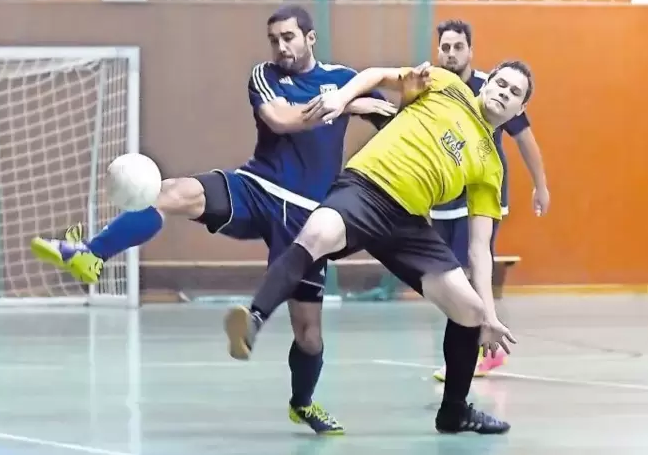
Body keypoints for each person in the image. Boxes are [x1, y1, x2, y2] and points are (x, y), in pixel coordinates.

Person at [29, 4, 397, 435]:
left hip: (308, 219)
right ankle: (92, 254)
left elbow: (392, 121)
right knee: (170, 193)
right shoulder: (267, 77)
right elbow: (281, 121)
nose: (281, 47)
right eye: (274, 39)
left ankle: (303, 403)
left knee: (309, 336)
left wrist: (365, 100)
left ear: (310, 38)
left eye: (289, 38)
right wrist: (344, 104)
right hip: (257, 188)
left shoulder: (342, 79)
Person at [223, 59, 534, 434]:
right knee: (316, 235)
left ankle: (453, 412)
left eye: (514, 92)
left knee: (468, 310)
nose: (504, 92)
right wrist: (342, 97)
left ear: (520, 109)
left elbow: (480, 248)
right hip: (365, 189)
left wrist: (490, 315)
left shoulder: (491, 165)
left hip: (409, 226)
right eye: (500, 83)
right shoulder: (448, 84)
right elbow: (377, 76)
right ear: (487, 83)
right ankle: (253, 321)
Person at [430, 19, 549, 382]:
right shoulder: (435, 86)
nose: (451, 54)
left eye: (458, 47)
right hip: (444, 196)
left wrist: (540, 185)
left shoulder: (494, 88)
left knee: (472, 269)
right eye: (445, 47)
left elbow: (525, 139)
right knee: (448, 277)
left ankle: (485, 349)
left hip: (481, 193)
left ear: (471, 50)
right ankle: (474, 344)